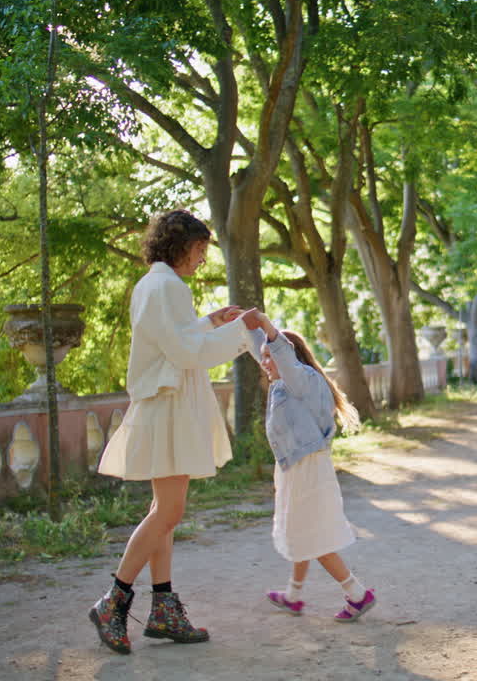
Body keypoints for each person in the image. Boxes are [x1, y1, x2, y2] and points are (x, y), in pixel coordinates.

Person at [89, 209, 256, 654]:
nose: (202, 260)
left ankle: (162, 608)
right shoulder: (166, 286)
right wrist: (243, 332)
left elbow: (177, 340)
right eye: (200, 250)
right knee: (168, 512)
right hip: (167, 407)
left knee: (165, 509)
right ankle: (114, 602)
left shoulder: (157, 285)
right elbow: (184, 353)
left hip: (168, 405)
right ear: (180, 245)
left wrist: (211, 322)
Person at [247, 310, 376, 622]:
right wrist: (243, 327)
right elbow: (263, 351)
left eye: (269, 356)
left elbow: (280, 356)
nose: (264, 363)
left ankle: (357, 594)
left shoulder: (300, 379)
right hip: (297, 467)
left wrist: (265, 323)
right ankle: (293, 596)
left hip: (307, 469)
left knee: (314, 537)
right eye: (263, 357)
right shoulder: (289, 380)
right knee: (299, 532)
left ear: (288, 355)